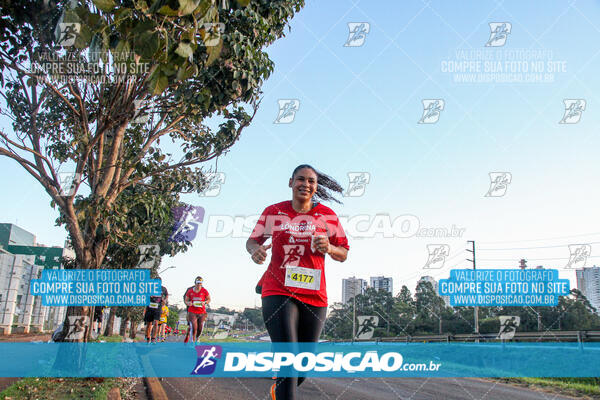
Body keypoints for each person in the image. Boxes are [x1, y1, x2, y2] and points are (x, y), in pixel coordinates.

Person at [246, 164, 349, 400]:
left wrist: (330, 247)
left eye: (311, 181)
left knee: (303, 364)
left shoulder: (327, 215)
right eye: (300, 179)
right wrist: (255, 251)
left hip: (314, 295)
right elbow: (252, 241)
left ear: (316, 187)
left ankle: (278, 390)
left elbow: (343, 252)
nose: (306, 184)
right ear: (291, 182)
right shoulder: (274, 212)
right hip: (278, 289)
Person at [183, 276, 211, 344]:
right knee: (193, 326)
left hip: (202, 312)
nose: (199, 285)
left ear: (202, 284)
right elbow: (185, 300)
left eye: (200, 283)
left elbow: (209, 299)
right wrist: (188, 303)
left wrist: (204, 302)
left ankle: (198, 338)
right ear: (195, 283)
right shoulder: (189, 290)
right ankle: (192, 340)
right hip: (192, 310)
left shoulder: (204, 290)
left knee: (200, 327)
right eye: (197, 283)